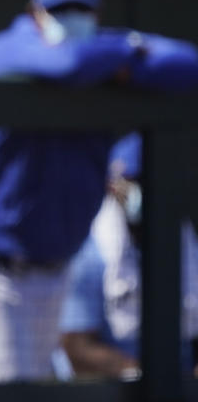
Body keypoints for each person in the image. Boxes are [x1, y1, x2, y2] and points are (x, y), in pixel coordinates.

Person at [0, 0, 198, 385]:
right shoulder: (12, 45)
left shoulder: (106, 47)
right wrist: (127, 53)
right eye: (59, 9)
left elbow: (189, 64)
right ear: (34, 11)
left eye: (80, 8)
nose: (71, 18)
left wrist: (116, 49)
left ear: (95, 12)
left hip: (55, 267)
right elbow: (65, 66)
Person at [58, 133, 198, 380]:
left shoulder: (188, 239)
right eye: (133, 181)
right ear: (112, 185)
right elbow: (77, 347)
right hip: (115, 391)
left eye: (153, 178)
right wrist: (144, 376)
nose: (143, 189)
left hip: (183, 391)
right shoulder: (90, 249)